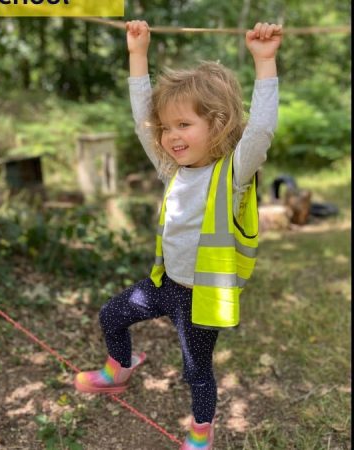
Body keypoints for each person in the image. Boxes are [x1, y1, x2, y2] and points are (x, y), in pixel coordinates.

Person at [73, 21, 282, 450]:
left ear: (218, 124)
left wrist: (265, 62)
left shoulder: (232, 174)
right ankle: (120, 369)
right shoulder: (173, 169)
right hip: (164, 285)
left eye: (183, 124)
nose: (171, 136)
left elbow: (260, 130)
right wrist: (137, 54)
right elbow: (142, 122)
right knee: (111, 315)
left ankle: (202, 431)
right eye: (166, 128)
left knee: (196, 371)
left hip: (200, 299)